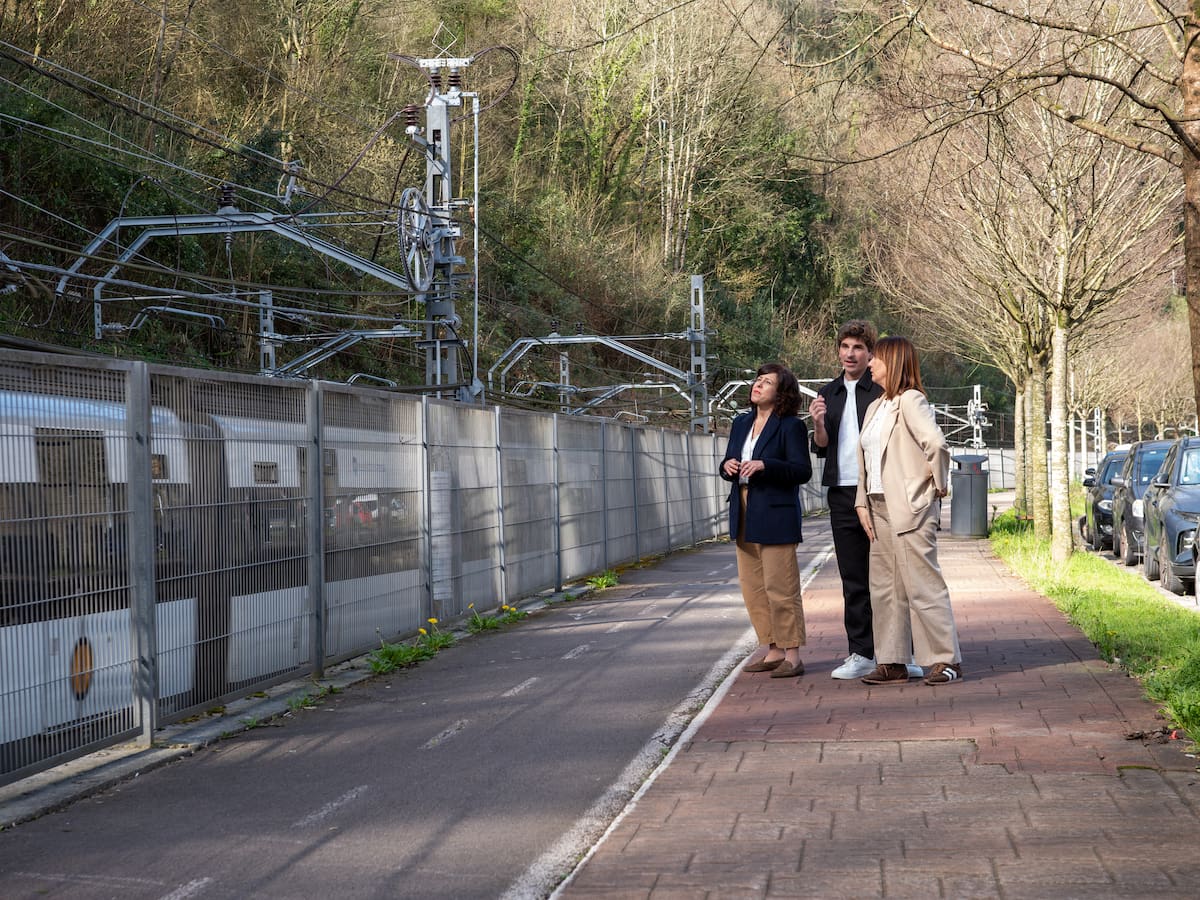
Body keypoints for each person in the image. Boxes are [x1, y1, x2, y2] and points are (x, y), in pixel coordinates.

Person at [810, 320, 922, 680]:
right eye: (844, 346)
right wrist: (819, 425)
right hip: (842, 494)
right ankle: (862, 653)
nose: (850, 354)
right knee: (853, 577)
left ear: (870, 353)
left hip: (881, 492)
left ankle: (903, 653)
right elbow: (821, 448)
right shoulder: (828, 394)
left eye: (858, 347)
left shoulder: (884, 391)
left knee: (894, 577)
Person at [854, 336, 963, 686]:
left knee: (923, 587)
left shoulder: (911, 401)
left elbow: (937, 444)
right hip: (878, 506)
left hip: (910, 508)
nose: (870, 363)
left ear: (895, 361)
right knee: (885, 589)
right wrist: (861, 501)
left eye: (876, 359)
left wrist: (935, 487)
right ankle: (892, 662)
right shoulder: (875, 407)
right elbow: (866, 461)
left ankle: (946, 661)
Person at [720, 363, 813, 678]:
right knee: (753, 587)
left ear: (781, 392)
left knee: (781, 586)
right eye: (757, 380)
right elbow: (728, 462)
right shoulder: (741, 423)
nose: (757, 385)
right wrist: (728, 466)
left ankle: (793, 655)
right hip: (744, 508)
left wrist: (765, 465)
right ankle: (772, 649)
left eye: (767, 381)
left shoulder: (791, 426)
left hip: (776, 511)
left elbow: (802, 471)